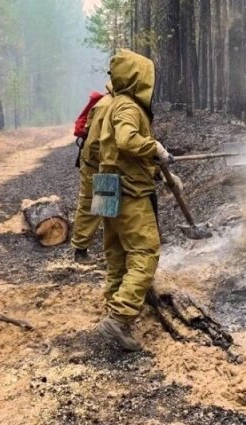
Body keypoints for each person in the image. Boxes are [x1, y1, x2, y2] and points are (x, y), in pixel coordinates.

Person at [95, 49, 181, 351]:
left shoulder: (111, 105)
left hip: (106, 185)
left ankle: (115, 306)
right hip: (128, 190)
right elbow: (127, 141)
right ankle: (119, 319)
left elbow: (111, 151)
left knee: (117, 254)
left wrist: (156, 171)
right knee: (145, 252)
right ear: (136, 78)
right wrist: (155, 147)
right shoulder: (129, 107)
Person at [71, 83, 114, 265]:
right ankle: (80, 250)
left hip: (100, 162)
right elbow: (96, 142)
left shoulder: (114, 103)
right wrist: (108, 163)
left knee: (106, 203)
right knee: (91, 204)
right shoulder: (107, 105)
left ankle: (110, 250)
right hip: (95, 162)